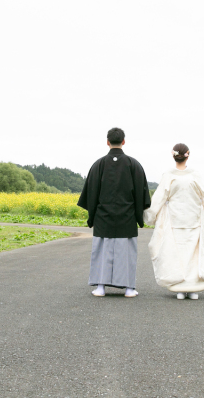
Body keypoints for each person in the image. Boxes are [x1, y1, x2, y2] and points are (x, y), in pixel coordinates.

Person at [78, 127, 151, 298]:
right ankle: (129, 289)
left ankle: (101, 287)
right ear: (123, 141)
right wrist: (138, 216)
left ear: (107, 142)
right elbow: (143, 194)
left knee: (103, 251)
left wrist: (93, 215)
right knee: (126, 254)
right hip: (127, 217)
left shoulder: (99, 164)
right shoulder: (134, 165)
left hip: (104, 217)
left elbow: (91, 192)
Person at [145, 143, 204, 300]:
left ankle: (180, 288)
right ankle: (194, 288)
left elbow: (159, 197)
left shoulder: (168, 175)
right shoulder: (195, 174)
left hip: (174, 219)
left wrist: (150, 216)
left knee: (177, 252)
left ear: (173, 155)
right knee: (194, 252)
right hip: (194, 217)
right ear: (188, 154)